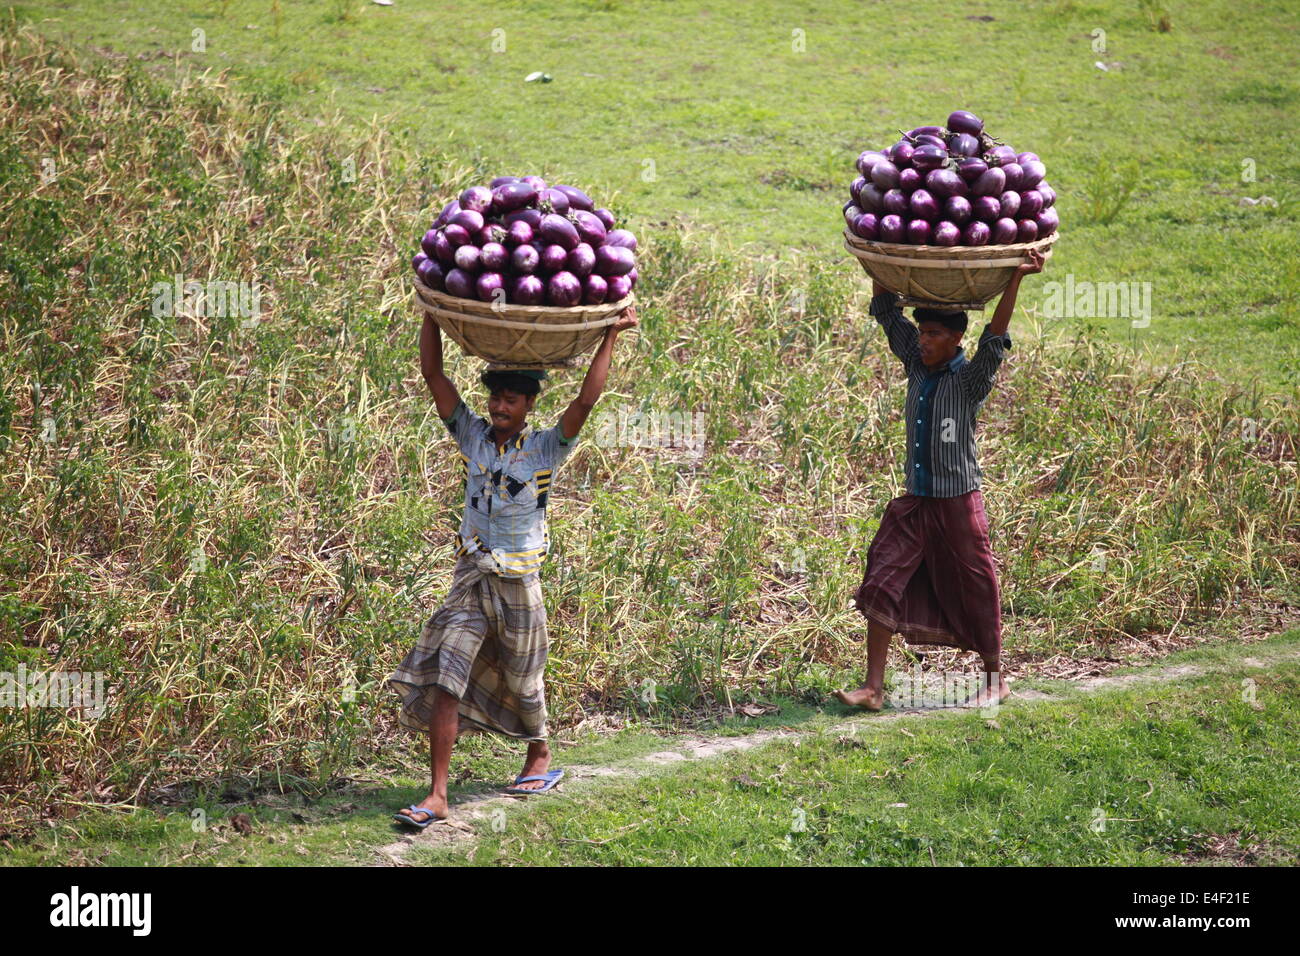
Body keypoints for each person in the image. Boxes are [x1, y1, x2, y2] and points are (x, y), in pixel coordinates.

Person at [389, 305, 638, 827]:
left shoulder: (547, 447)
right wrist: (432, 313)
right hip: (471, 578)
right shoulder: (472, 436)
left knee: (525, 678)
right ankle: (437, 793)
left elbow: (587, 399)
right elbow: (433, 374)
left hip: (518, 581)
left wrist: (610, 335)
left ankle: (540, 753)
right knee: (446, 675)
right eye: (495, 397)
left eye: (511, 399)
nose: (500, 406)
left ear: (528, 404)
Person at [836, 251, 1045, 712]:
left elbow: (995, 336)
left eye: (933, 334)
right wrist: (879, 259)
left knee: (976, 585)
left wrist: (1017, 278)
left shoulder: (969, 382)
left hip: (957, 503)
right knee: (882, 577)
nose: (924, 341)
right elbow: (888, 313)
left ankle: (996, 679)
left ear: (954, 339)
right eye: (922, 333)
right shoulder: (915, 364)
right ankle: (872, 688)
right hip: (917, 501)